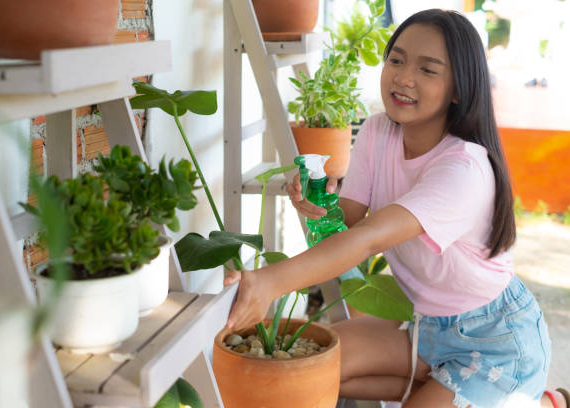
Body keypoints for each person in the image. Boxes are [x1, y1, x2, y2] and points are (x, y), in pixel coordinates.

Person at [223, 9, 567, 408]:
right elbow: (346, 226)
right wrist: (315, 204)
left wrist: (270, 281)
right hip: (425, 329)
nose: (404, 77)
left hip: (495, 342)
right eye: (397, 60)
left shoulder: (464, 167)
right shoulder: (377, 131)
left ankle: (534, 402)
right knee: (305, 372)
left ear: (458, 88)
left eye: (428, 69)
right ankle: (463, 395)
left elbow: (367, 240)